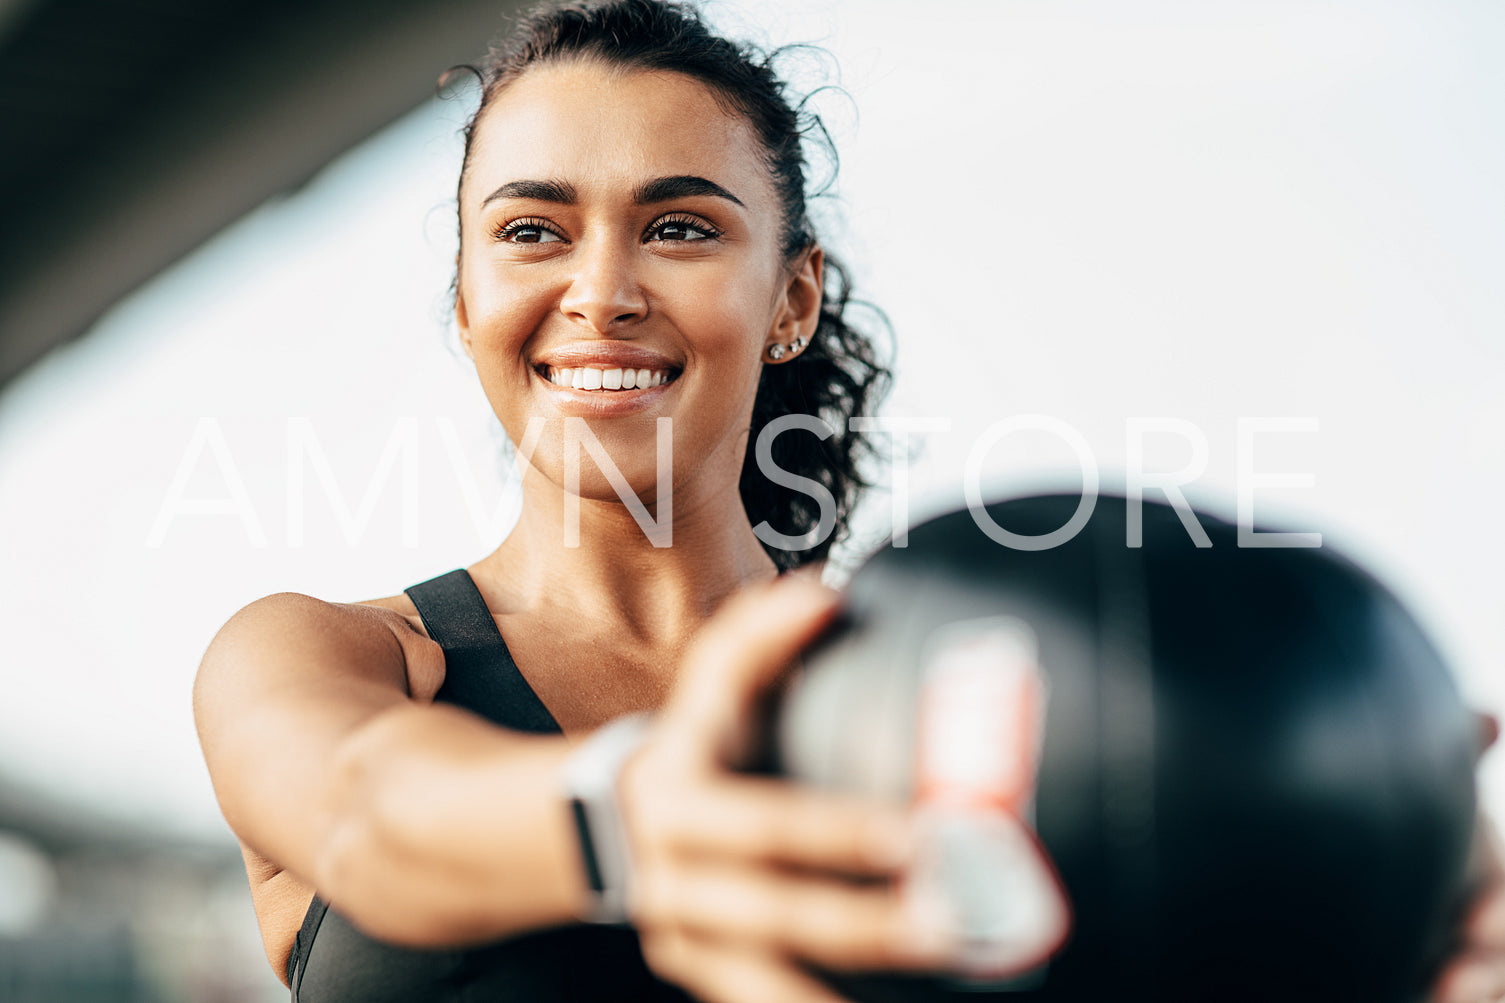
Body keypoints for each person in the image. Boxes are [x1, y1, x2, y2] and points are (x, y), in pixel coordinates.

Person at [193, 2, 1505, 1001]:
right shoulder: (328, 655)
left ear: (791, 301)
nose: (600, 289)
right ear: (468, 299)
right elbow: (367, 814)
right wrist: (627, 819)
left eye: (681, 227)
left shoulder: (946, 688)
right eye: (533, 230)